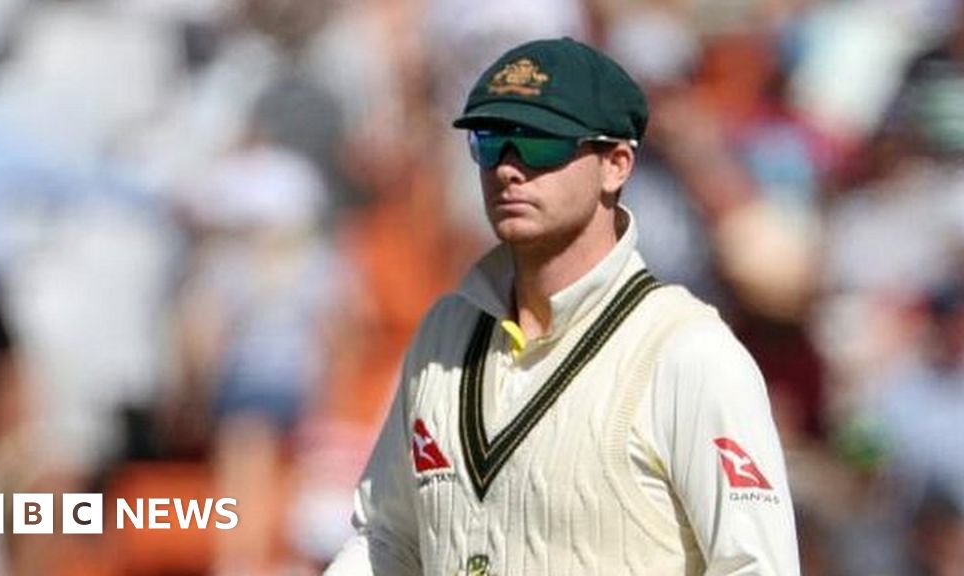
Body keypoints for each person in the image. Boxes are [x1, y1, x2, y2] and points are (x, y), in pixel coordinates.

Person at [324, 37, 800, 576]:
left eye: (539, 143)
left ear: (616, 164)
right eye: (491, 142)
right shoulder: (445, 333)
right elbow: (387, 538)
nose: (509, 168)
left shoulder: (688, 353)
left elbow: (756, 567)